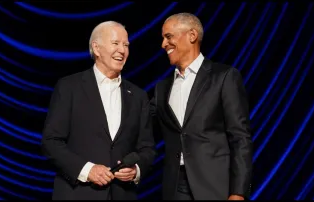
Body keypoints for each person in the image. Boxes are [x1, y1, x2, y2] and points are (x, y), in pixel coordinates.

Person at [42, 21, 156, 200]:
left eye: (126, 45)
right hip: (78, 193)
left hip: (122, 194)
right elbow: (51, 142)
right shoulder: (69, 87)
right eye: (115, 43)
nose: (122, 50)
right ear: (96, 48)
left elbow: (147, 148)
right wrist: (87, 170)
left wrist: (136, 170)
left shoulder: (138, 96)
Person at [150, 13, 253, 200]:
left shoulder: (223, 77)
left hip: (215, 186)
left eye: (169, 36)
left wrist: (238, 192)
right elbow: (142, 127)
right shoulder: (162, 88)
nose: (163, 44)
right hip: (175, 188)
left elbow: (240, 137)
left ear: (192, 35)